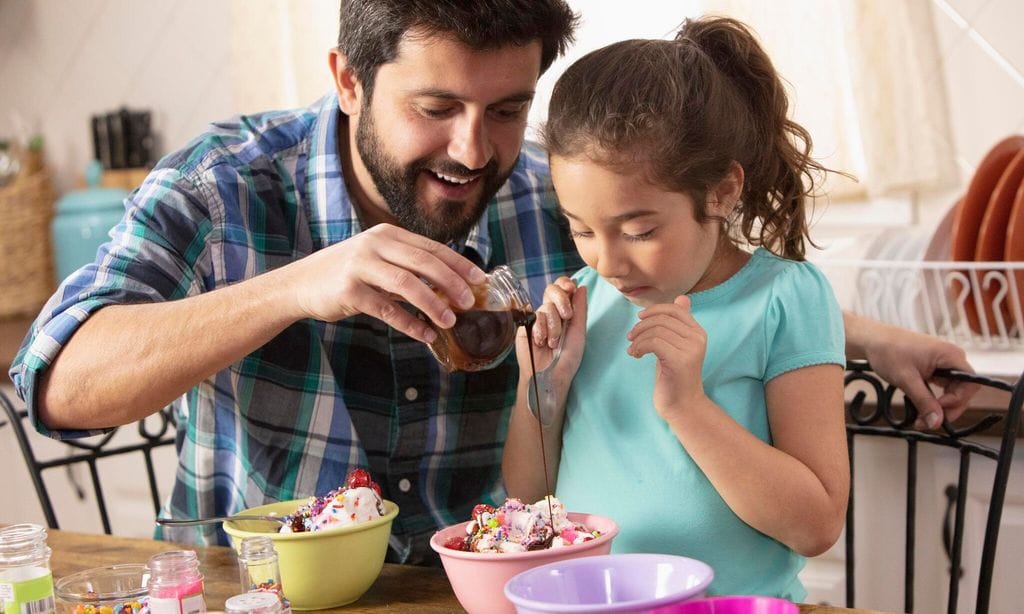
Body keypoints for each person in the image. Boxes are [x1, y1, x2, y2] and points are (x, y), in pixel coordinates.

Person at [9, 1, 975, 565]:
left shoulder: (548, 194)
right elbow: (56, 384)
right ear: (349, 79)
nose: (474, 152)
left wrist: (865, 337)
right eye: (437, 108)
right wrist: (297, 287)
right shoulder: (226, 189)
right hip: (258, 589)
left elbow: (681, 270)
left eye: (507, 109)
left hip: (486, 589)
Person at [502, 16, 843, 599]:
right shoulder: (586, 302)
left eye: (637, 231)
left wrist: (687, 406)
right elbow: (530, 497)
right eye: (580, 229)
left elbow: (816, 526)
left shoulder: (786, 299)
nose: (607, 261)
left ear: (721, 192)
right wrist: (542, 386)